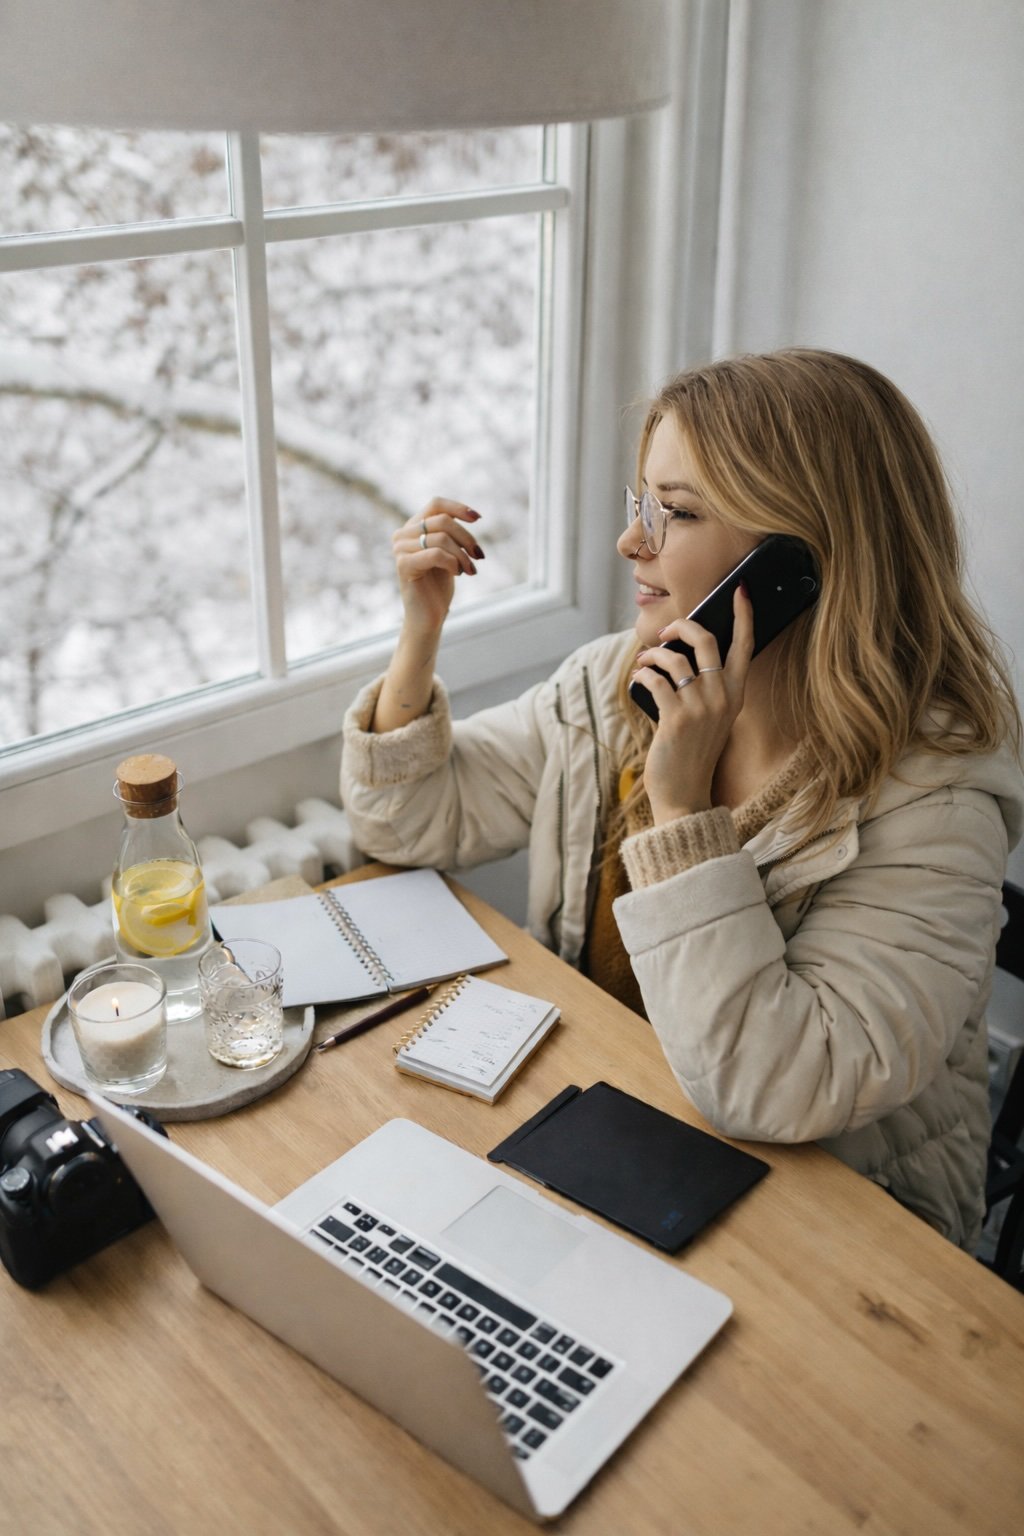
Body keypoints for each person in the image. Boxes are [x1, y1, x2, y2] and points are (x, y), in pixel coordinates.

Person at [341, 348, 1024, 1250]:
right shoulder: (616, 684)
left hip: (841, 1234)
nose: (633, 543)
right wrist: (419, 632)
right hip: (618, 1138)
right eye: (642, 505)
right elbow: (405, 819)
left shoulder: (933, 808)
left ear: (799, 561)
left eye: (679, 512)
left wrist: (680, 808)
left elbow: (778, 1085)